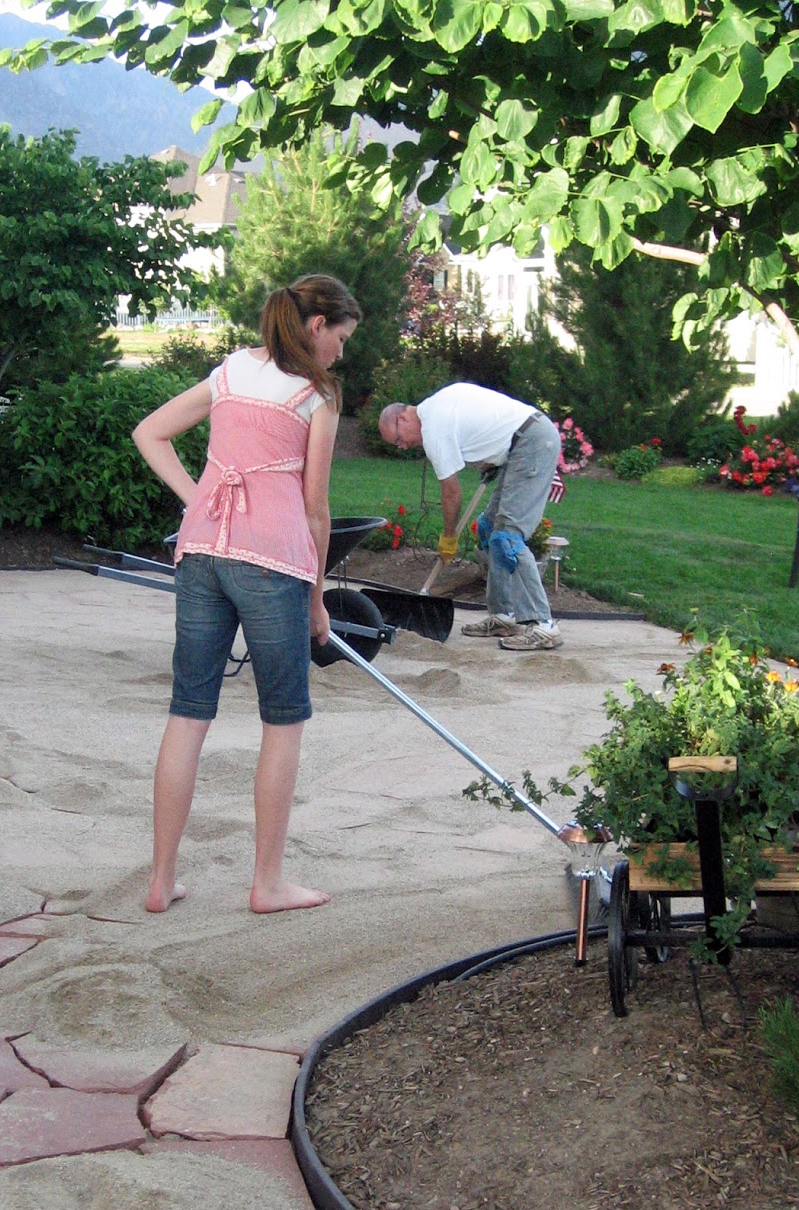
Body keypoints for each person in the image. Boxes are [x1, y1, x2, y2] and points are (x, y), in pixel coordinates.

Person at [133, 274, 361, 915]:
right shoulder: (316, 396)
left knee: (188, 711)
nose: (341, 352)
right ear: (317, 327)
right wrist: (318, 597)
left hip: (202, 551)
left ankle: (160, 880)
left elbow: (149, 433)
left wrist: (198, 500)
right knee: (283, 719)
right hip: (272, 562)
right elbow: (316, 511)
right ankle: (267, 884)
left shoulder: (230, 371)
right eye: (340, 338)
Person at [378, 383, 564, 651]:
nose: (402, 446)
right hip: (521, 443)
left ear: (403, 417)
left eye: (398, 439)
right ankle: (504, 616)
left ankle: (544, 625)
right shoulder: (437, 406)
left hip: (532, 442)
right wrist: (494, 457)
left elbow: (452, 493)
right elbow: (484, 419)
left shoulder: (433, 428)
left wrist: (449, 537)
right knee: (488, 528)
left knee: (508, 538)